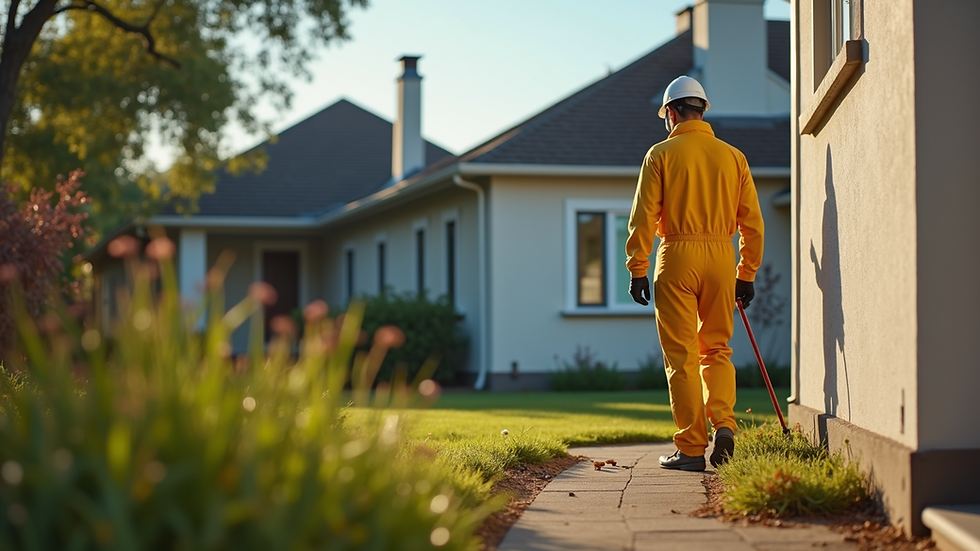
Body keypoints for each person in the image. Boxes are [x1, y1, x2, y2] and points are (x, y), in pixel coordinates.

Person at [625, 75, 764, 472]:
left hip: (677, 257)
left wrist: (638, 268)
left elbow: (643, 218)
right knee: (716, 349)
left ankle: (690, 449)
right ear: (703, 110)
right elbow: (752, 223)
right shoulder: (733, 157)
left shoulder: (660, 154)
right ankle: (724, 423)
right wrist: (747, 272)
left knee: (682, 356)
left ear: (671, 112)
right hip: (722, 257)